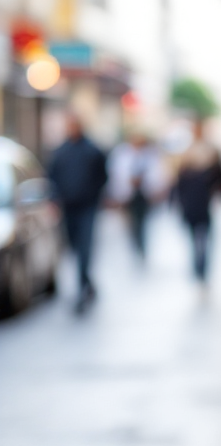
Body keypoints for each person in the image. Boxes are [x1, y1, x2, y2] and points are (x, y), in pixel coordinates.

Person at [47, 113, 108, 311]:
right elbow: (52, 177)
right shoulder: (60, 151)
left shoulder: (92, 150)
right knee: (73, 246)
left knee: (84, 247)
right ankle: (87, 283)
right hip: (68, 207)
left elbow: (102, 177)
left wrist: (94, 196)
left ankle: (82, 288)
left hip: (87, 207)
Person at [174, 119, 221, 285]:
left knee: (203, 238)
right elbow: (179, 182)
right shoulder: (186, 152)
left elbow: (220, 178)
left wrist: (218, 196)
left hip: (204, 202)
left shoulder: (210, 151)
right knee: (194, 238)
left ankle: (202, 267)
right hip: (191, 203)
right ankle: (198, 267)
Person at [108, 130, 167, 259]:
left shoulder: (151, 154)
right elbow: (116, 175)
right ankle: (135, 246)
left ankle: (141, 247)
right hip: (127, 196)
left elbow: (158, 175)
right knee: (131, 224)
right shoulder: (122, 154)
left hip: (144, 196)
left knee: (142, 223)